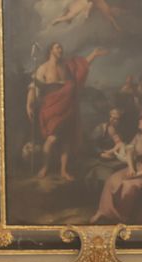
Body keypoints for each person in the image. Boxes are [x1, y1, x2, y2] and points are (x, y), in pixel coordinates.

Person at [26, 42, 108, 182]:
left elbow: (81, 66)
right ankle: (45, 167)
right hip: (51, 107)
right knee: (51, 138)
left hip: (67, 106)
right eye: (57, 47)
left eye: (61, 47)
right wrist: (29, 104)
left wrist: (93, 54)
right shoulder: (43, 68)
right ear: (51, 50)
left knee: (66, 140)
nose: (61, 50)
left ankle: (63, 170)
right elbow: (34, 87)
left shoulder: (67, 66)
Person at [91, 114, 142, 224]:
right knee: (112, 179)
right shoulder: (137, 136)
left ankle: (122, 217)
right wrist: (131, 168)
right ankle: (102, 212)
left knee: (128, 186)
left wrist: (138, 174)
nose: (140, 121)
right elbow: (129, 152)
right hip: (133, 167)